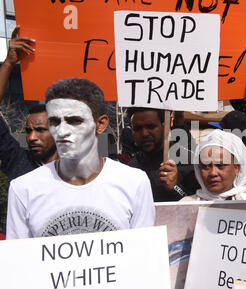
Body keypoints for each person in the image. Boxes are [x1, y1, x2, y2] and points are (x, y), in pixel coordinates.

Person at [6, 78, 155, 239]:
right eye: (55, 122)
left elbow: (143, 258)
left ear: (101, 124)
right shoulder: (23, 190)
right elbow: (19, 262)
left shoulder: (134, 183)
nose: (62, 131)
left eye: (74, 121)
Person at [0, 26, 57, 180]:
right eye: (28, 131)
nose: (32, 137)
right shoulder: (21, 165)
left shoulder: (79, 174)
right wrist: (8, 63)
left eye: (40, 129)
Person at [127, 107, 199, 202]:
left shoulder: (189, 161)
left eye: (151, 127)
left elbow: (198, 206)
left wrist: (175, 187)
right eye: (137, 128)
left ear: (165, 126)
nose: (144, 133)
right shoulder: (131, 167)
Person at [180, 129, 246, 201]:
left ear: (236, 168)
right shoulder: (184, 207)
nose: (213, 173)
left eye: (220, 166)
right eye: (206, 166)